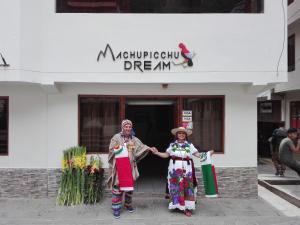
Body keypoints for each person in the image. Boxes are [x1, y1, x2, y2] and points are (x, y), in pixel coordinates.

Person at [152, 127, 214, 217]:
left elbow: (197, 154)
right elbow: (166, 155)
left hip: (187, 169)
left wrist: (207, 154)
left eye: (183, 133)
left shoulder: (189, 145)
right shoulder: (172, 145)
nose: (181, 134)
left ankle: (187, 207)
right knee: (176, 186)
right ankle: (177, 205)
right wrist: (157, 152)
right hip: (174, 169)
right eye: (179, 133)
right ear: (176, 135)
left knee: (187, 187)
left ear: (185, 135)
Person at [107, 119, 155, 219]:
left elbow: (141, 146)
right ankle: (116, 209)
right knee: (118, 188)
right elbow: (111, 149)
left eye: (129, 127)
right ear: (122, 127)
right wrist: (122, 146)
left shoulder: (134, 139)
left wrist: (149, 148)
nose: (128, 128)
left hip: (130, 167)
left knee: (129, 188)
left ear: (131, 128)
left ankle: (128, 205)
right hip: (119, 167)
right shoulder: (116, 137)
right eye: (126, 126)